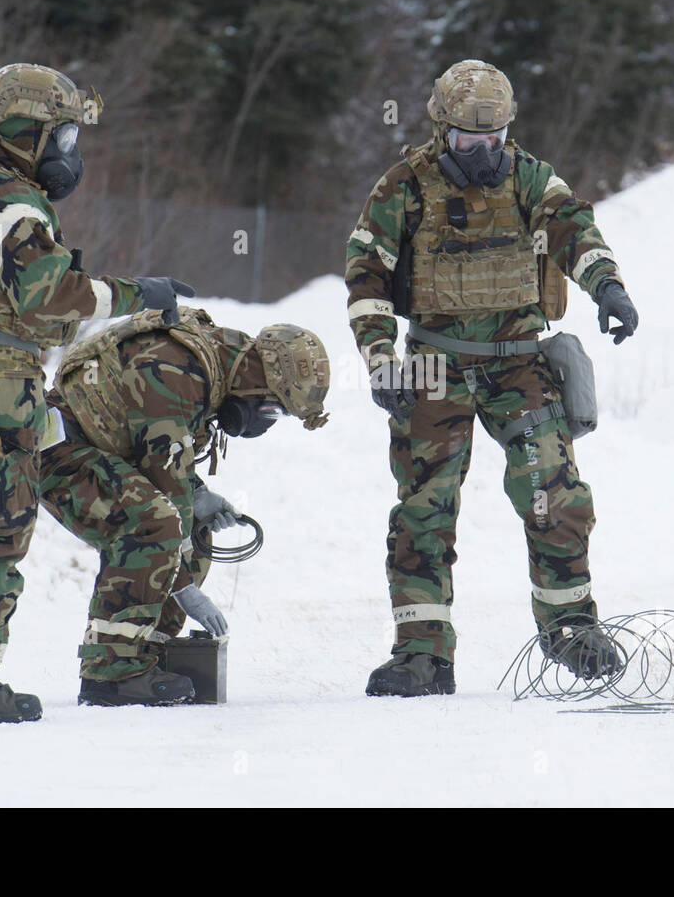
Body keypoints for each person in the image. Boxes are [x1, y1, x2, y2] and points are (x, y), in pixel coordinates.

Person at [344, 59, 640, 697]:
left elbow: (574, 227)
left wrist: (608, 287)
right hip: (432, 360)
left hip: (517, 362)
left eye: (495, 140)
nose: (483, 153)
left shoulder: (529, 178)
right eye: (469, 141)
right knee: (425, 509)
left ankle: (572, 631)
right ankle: (421, 654)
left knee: (553, 491)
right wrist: (379, 359)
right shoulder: (405, 186)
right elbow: (366, 274)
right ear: (441, 130)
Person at [0, 62, 193, 723]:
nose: (69, 154)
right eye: (60, 138)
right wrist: (135, 295)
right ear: (26, 131)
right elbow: (48, 298)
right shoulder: (8, 195)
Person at [38, 307, 330, 706]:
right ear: (260, 377)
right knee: (151, 522)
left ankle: (149, 650)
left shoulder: (216, 368)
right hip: (58, 450)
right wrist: (186, 589)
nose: (265, 421)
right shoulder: (176, 370)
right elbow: (163, 483)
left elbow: (166, 463)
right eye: (272, 408)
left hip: (102, 447)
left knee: (192, 524)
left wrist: (199, 494)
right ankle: (111, 671)